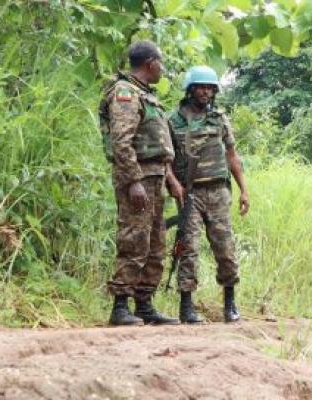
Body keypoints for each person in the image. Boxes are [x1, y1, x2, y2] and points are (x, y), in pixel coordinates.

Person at [97, 40, 180, 326]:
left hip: (155, 177)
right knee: (134, 239)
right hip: (138, 177)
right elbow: (122, 142)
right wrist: (133, 181)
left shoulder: (147, 96)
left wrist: (169, 178)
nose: (163, 69)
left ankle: (144, 303)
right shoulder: (125, 93)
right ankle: (120, 306)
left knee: (156, 242)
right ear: (150, 63)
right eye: (161, 63)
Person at [167, 65, 249, 324]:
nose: (206, 92)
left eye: (210, 88)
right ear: (190, 90)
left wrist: (244, 190)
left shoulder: (220, 119)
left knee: (225, 248)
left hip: (218, 191)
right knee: (188, 248)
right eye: (201, 87)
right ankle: (186, 307)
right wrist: (173, 184)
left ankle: (230, 303)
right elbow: (165, 160)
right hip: (190, 193)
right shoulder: (174, 121)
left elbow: (232, 155)